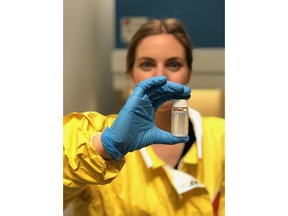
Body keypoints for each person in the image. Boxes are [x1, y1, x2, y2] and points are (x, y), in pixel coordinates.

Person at [64, 18, 225, 216]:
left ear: (188, 73)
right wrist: (105, 148)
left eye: (174, 65)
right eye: (147, 65)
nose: (160, 76)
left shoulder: (223, 138)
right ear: (130, 74)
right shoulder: (93, 136)